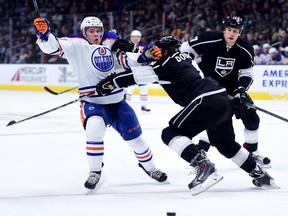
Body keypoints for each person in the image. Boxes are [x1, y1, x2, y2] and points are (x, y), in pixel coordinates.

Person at [96, 36, 279, 195]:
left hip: (204, 101)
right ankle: (261, 175)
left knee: (170, 133)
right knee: (227, 145)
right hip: (222, 99)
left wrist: (109, 83)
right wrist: (136, 51)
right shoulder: (186, 59)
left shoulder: (165, 65)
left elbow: (135, 76)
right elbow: (148, 60)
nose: (156, 54)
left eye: (159, 50)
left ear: (165, 50)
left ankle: (203, 165)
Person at [33, 16, 168, 192]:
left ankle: (151, 169)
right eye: (91, 31)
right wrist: (44, 35)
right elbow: (52, 47)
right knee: (94, 130)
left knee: (137, 141)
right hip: (93, 103)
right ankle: (95, 171)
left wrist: (148, 54)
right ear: (84, 33)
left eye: (98, 30)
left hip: (118, 103)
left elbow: (133, 59)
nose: (95, 34)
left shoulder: (112, 46)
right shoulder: (76, 47)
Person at [180, 15, 271, 168]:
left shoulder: (246, 49)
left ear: (240, 32)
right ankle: (200, 152)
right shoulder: (209, 38)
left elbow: (247, 75)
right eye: (229, 29)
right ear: (224, 29)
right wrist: (190, 67)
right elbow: (185, 48)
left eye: (235, 31)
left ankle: (252, 153)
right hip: (209, 89)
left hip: (233, 89)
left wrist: (241, 91)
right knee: (213, 120)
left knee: (252, 119)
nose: (231, 33)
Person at [125, 30, 151, 112]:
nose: (136, 38)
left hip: (141, 71)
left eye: (137, 37)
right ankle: (126, 105)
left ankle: (144, 105)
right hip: (131, 71)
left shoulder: (143, 47)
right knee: (129, 89)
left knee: (144, 88)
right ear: (131, 37)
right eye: (134, 37)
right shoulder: (127, 47)